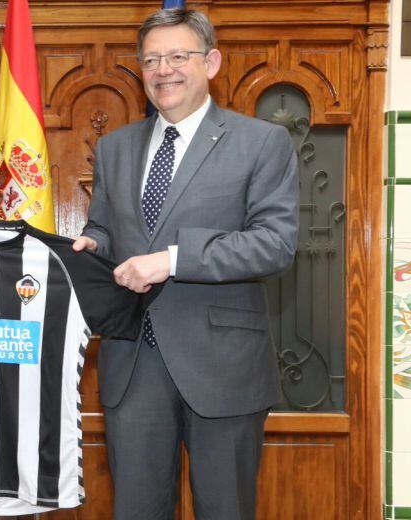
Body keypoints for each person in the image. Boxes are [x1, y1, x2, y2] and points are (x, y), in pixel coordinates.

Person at [72, 8, 298, 520]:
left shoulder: (262, 142)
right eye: (151, 59)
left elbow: (275, 243)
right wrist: (91, 242)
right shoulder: (114, 147)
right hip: (133, 364)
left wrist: (171, 261)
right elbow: (107, 228)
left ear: (211, 62)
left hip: (224, 367)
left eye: (178, 56)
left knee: (226, 510)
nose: (163, 70)